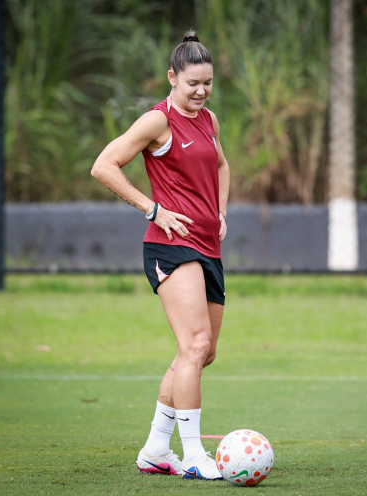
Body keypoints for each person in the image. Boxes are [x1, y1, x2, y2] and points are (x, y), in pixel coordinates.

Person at [91, 29, 229, 481]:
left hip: (208, 246)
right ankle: (193, 455)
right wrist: (152, 209)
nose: (201, 91)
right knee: (194, 345)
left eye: (208, 83)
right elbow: (104, 166)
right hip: (171, 245)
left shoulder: (208, 120)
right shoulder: (158, 121)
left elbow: (222, 166)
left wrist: (221, 212)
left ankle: (155, 449)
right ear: (172, 77)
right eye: (193, 83)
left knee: (202, 353)